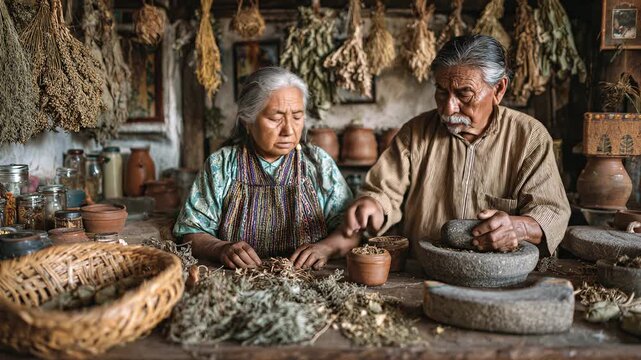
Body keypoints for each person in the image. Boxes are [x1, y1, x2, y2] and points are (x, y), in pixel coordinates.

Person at [343, 35, 570, 257]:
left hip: (497, 277)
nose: (449, 108)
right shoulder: (415, 132)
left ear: (499, 89)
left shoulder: (529, 137)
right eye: (442, 92)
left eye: (464, 94)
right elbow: (384, 191)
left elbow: (550, 213)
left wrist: (518, 227)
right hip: (422, 272)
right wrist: (373, 205)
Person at [174, 67, 358, 269]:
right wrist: (221, 248)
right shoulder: (222, 165)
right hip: (238, 282)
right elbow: (190, 231)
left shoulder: (318, 163)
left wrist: (326, 248)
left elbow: (351, 231)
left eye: (297, 117)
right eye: (275, 118)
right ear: (247, 121)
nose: (288, 130)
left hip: (310, 280)